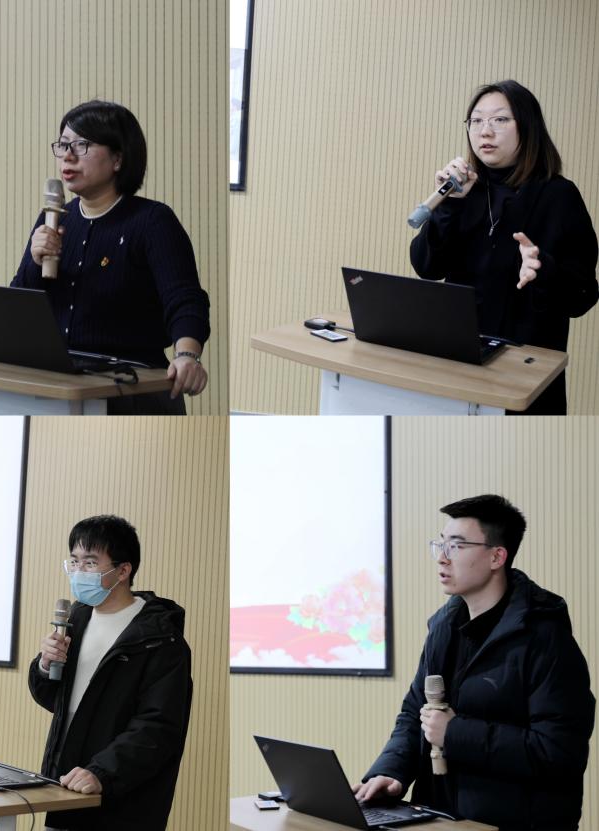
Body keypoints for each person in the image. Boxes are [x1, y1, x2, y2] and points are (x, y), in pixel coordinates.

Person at [357, 495, 594, 831]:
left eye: (456, 546)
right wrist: (390, 770)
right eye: (440, 544)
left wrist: (455, 733)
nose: (442, 557)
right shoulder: (444, 626)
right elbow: (415, 713)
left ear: (497, 556)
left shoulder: (544, 637)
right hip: (440, 819)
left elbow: (558, 752)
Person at [410, 80, 598, 414]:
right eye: (476, 120)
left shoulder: (559, 196)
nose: (485, 131)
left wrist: (544, 268)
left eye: (499, 119)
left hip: (522, 378)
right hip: (457, 364)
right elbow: (427, 267)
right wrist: (449, 207)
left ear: (527, 126)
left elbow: (583, 295)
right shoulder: (464, 191)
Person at [12, 100, 211, 414]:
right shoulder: (54, 218)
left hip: (133, 385)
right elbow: (18, 307)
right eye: (63, 145)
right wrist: (36, 263)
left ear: (118, 158)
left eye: (82, 145)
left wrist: (187, 355)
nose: (68, 156)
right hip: (63, 382)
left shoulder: (152, 221)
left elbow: (185, 299)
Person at [29, 515, 192, 830]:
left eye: (90, 563)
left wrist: (102, 773)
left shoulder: (159, 637)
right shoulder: (76, 619)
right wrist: (44, 665)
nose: (79, 572)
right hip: (65, 787)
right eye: (74, 561)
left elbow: (158, 728)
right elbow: (56, 701)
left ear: (123, 570)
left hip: (122, 798)